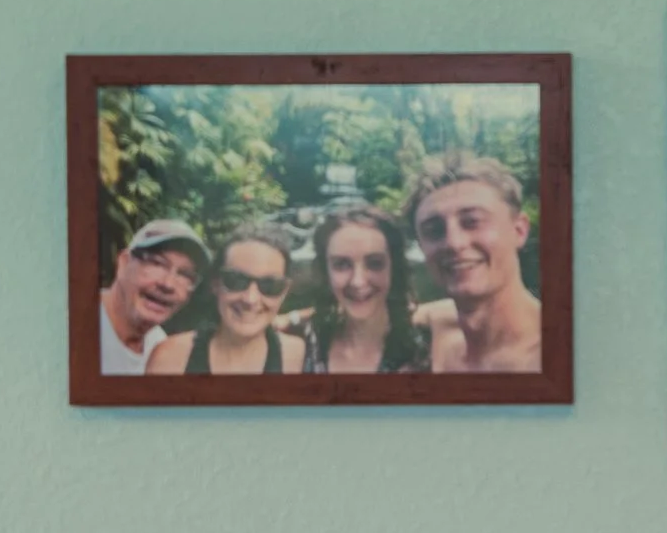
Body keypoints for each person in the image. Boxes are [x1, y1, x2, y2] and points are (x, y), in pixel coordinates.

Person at [409, 156, 543, 374]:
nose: (454, 243)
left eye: (472, 222)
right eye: (434, 231)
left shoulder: (561, 354)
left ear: (519, 231)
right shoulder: (437, 330)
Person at [299, 205, 444, 377]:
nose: (358, 282)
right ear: (325, 271)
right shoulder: (305, 348)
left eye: (374, 263)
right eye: (342, 265)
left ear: (394, 268)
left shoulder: (427, 350)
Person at [145, 224, 300, 378]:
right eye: (235, 281)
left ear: (285, 291)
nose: (250, 299)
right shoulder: (171, 359)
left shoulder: (298, 358)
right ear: (215, 284)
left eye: (269, 286)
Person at [98, 219, 204, 376]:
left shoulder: (160, 349)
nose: (168, 284)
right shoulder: (71, 323)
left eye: (185, 275)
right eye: (157, 263)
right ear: (123, 263)